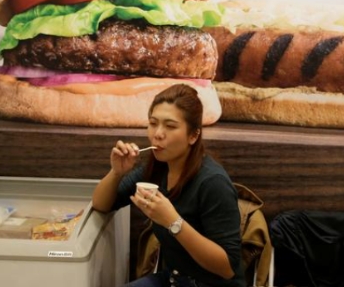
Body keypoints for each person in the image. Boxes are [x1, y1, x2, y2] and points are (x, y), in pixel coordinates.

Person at [92, 84, 245, 287]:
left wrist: (173, 221)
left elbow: (227, 268)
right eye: (153, 123)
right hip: (174, 279)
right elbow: (101, 204)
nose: (158, 134)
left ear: (193, 135)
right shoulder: (158, 169)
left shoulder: (212, 182)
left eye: (170, 126)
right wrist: (116, 172)